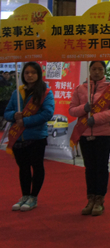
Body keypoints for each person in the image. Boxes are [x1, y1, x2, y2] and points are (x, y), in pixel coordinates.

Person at [70, 61, 110, 216]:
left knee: (101, 167)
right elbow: (72, 110)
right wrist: (84, 108)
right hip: (85, 133)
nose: (97, 72)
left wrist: (97, 118)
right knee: (89, 168)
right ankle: (90, 198)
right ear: (89, 70)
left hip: (104, 134)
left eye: (100, 69)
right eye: (94, 69)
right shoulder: (80, 89)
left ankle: (100, 199)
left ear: (104, 71)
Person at [5, 62, 55, 211]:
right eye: (27, 73)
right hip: (18, 137)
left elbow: (47, 113)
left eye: (33, 72)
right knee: (23, 168)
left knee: (37, 167)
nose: (30, 75)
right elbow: (7, 111)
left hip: (36, 137)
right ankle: (25, 195)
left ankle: (33, 197)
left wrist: (26, 121)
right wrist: (14, 115)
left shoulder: (45, 92)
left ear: (39, 74)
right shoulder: (17, 92)